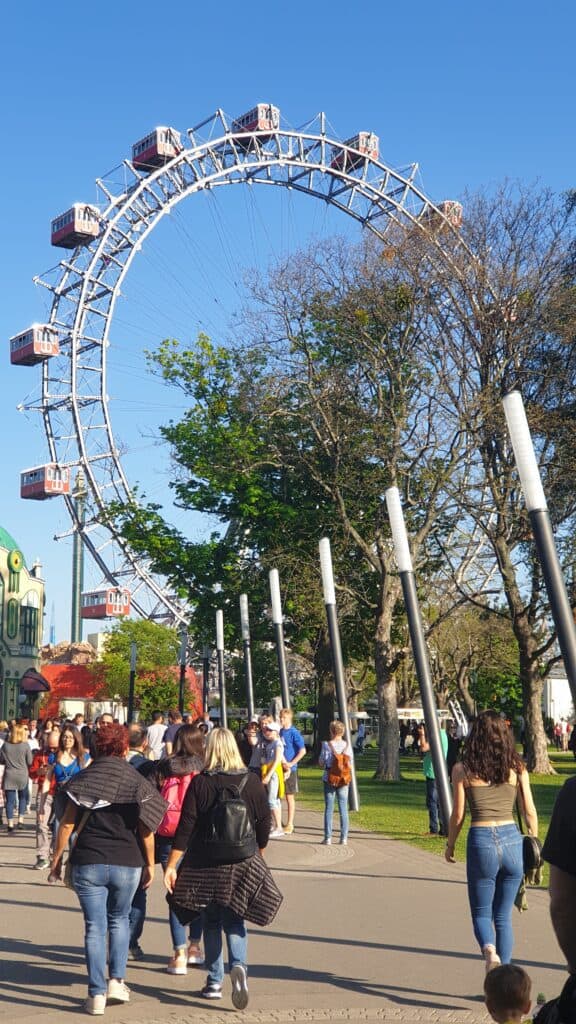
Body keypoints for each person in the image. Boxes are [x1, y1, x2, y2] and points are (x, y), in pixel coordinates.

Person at [48, 722, 167, 1015]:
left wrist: (56, 859)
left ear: (96, 747)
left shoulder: (83, 778)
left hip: (89, 860)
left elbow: (67, 824)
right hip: (128, 862)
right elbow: (147, 829)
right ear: (124, 747)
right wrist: (150, 864)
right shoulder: (137, 782)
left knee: (94, 926)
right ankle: (116, 981)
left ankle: (96, 994)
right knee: (120, 920)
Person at [164, 727, 276, 1007]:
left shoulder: (201, 783)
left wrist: (172, 864)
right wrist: (258, 852)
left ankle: (214, 981)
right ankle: (239, 966)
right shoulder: (251, 782)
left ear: (210, 750)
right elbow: (264, 824)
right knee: (236, 919)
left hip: (206, 862)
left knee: (211, 921)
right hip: (241, 861)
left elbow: (186, 826)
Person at [445, 711, 538, 972]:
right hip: (511, 840)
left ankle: (489, 951)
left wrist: (450, 844)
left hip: (482, 838)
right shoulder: (517, 768)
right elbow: (529, 809)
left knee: (482, 912)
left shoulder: (462, 770)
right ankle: (503, 979)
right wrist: (534, 840)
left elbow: (458, 815)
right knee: (503, 917)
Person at [129, 724, 205, 970]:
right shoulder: (204, 767)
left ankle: (179, 952)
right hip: (197, 837)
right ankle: (195, 945)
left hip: (167, 836)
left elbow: (148, 800)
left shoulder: (163, 767)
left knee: (174, 893)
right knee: (198, 894)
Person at [318, 720, 352, 846]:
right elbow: (349, 764)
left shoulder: (327, 745)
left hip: (329, 778)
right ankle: (343, 838)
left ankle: (328, 838)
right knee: (343, 808)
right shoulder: (347, 745)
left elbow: (322, 762)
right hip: (343, 780)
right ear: (342, 732)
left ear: (332, 731)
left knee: (329, 808)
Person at [30, 730, 60, 868]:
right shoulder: (40, 754)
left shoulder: (65, 755)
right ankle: (42, 856)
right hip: (44, 793)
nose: (52, 750)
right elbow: (31, 772)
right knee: (41, 824)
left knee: (58, 827)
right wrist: (38, 772)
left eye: (55, 747)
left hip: (61, 793)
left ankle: (56, 855)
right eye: (50, 747)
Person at [0, 722, 33, 831]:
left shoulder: (5, 745)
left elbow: (1, 760)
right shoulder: (25, 745)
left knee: (10, 801)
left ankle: (10, 823)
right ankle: (20, 821)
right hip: (22, 774)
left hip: (9, 774)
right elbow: (30, 761)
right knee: (22, 798)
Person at [419, 721, 448, 837]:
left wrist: (422, 735)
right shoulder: (443, 734)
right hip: (439, 772)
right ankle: (443, 828)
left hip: (433, 773)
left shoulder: (436, 736)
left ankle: (434, 828)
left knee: (432, 801)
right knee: (439, 802)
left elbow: (424, 748)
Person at [279, 708, 306, 834]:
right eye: (280, 717)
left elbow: (302, 750)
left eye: (283, 718)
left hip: (291, 769)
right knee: (277, 796)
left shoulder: (294, 733)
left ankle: (290, 823)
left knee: (289, 796)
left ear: (289, 718)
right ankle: (278, 821)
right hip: (279, 767)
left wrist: (291, 764)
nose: (281, 720)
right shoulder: (279, 732)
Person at [260, 720, 285, 838]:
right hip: (269, 772)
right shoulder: (270, 744)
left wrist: (269, 775)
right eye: (267, 729)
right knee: (274, 801)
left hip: (274, 774)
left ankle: (279, 827)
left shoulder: (278, 743)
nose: (267, 731)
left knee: (271, 800)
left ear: (276, 732)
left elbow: (277, 760)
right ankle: (276, 825)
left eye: (270, 730)